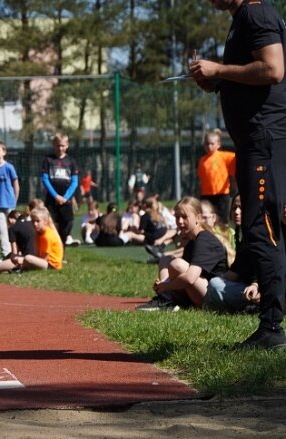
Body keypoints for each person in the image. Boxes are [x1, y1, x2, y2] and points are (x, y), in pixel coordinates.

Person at [190, 0, 286, 348]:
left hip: (264, 140)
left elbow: (273, 70)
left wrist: (219, 70)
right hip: (257, 142)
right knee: (264, 225)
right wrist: (212, 81)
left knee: (263, 227)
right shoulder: (241, 19)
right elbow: (250, 75)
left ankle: (272, 327)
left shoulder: (255, 12)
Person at [138, 197, 229, 311]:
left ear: (198, 218)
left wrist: (166, 286)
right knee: (166, 259)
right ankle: (166, 298)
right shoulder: (192, 239)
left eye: (185, 217)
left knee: (177, 265)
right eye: (177, 217)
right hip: (201, 290)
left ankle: (166, 298)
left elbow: (190, 278)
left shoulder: (204, 239)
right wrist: (163, 283)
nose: (180, 221)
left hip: (214, 297)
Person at [42, 132, 80, 247]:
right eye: (58, 145)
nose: (60, 148)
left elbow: (74, 182)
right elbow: (45, 179)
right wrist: (56, 196)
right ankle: (51, 248)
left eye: (63, 145)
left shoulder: (71, 161)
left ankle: (62, 250)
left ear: (67, 146)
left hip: (66, 200)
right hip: (52, 199)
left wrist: (65, 197)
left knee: (67, 223)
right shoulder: (48, 160)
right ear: (54, 145)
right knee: (51, 224)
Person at [198, 129, 236, 224]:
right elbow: (201, 179)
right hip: (206, 195)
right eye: (207, 144)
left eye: (212, 143)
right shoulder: (202, 160)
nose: (209, 146)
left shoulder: (224, 156)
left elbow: (236, 157)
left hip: (221, 194)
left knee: (222, 220)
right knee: (206, 218)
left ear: (218, 144)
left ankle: (223, 237)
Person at [0, 141, 19, 259]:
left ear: (4, 152)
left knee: (13, 228)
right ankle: (6, 254)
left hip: (9, 203)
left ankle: (16, 252)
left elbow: (15, 184)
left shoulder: (9, 167)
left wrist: (14, 200)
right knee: (2, 229)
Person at [8, 206, 63, 271]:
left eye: (38, 221)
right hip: (43, 261)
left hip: (52, 265)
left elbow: (45, 258)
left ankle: (21, 268)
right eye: (33, 221)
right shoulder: (38, 233)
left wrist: (26, 261)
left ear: (45, 221)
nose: (35, 224)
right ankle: (20, 267)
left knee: (28, 258)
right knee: (15, 257)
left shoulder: (47, 236)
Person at [0, 209, 37, 273]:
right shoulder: (31, 223)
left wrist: (6, 259)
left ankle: (14, 269)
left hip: (26, 259)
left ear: (10, 220)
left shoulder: (13, 228)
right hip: (37, 258)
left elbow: (14, 253)